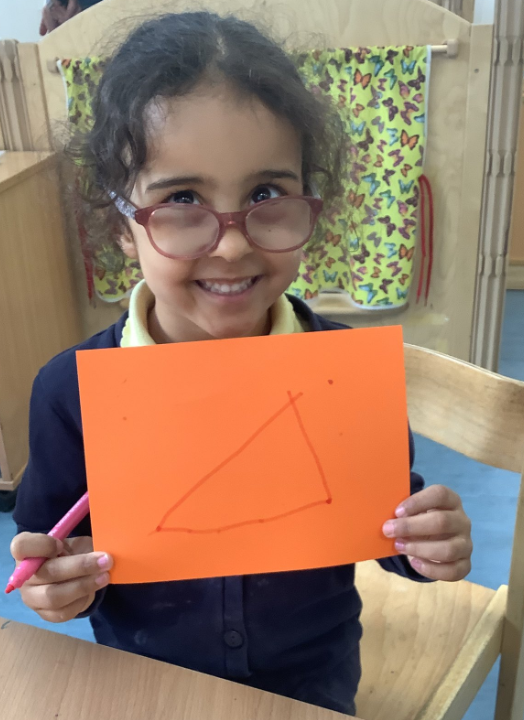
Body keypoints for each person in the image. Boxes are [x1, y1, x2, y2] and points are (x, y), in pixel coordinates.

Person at [11, 13, 473, 716]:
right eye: (182, 199)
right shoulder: (68, 390)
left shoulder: (340, 374)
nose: (231, 246)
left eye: (265, 195)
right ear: (122, 227)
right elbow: (51, 549)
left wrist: (425, 544)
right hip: (143, 679)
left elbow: (386, 526)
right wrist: (56, 584)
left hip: (311, 679)